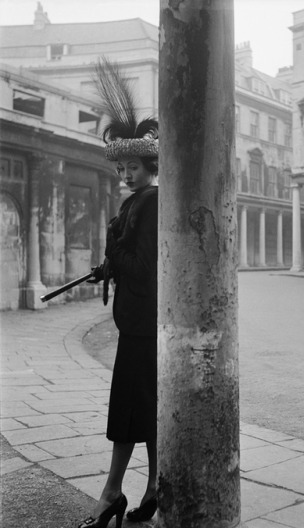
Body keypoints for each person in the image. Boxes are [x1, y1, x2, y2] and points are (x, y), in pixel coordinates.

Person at [78, 58, 158, 528]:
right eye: (121, 168)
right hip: (140, 326)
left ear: (149, 167)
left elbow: (145, 269)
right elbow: (130, 265)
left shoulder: (148, 203)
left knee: (128, 412)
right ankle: (148, 486)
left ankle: (113, 493)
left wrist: (113, 248)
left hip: (142, 329)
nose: (124, 176)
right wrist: (108, 268)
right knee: (142, 410)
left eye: (131, 168)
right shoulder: (139, 203)